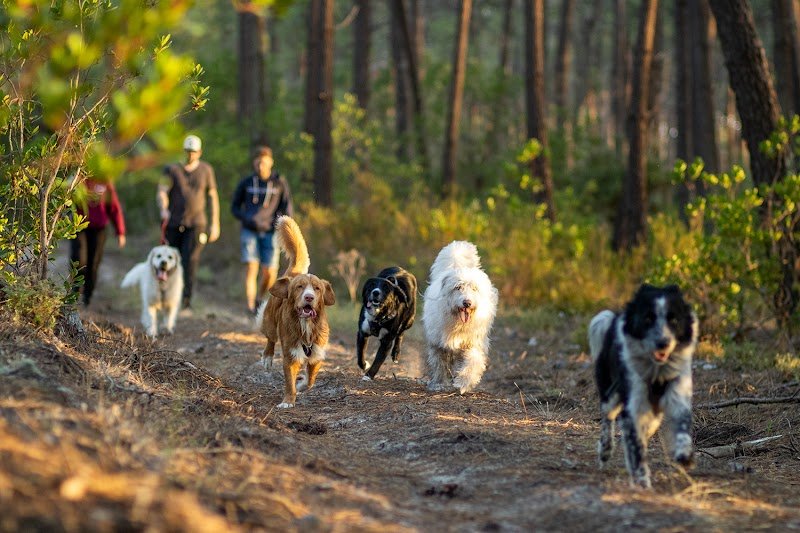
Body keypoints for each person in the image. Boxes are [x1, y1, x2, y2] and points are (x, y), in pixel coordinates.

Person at [157, 134, 220, 310]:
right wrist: (163, 207)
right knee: (170, 260)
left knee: (190, 260)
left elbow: (212, 196)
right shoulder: (171, 169)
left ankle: (186, 299)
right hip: (174, 222)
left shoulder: (206, 170)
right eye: (187, 151)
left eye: (193, 152)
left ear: (199, 152)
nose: (190, 155)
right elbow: (162, 191)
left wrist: (215, 223)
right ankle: (168, 295)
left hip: (197, 223)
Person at [231, 145, 294, 314]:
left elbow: (287, 208)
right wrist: (246, 218)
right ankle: (250, 306)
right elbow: (235, 207)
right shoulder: (246, 183)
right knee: (251, 267)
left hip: (270, 232)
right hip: (249, 230)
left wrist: (284, 227)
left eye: (264, 163)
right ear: (254, 163)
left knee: (269, 272)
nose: (261, 166)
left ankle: (260, 298)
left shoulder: (279, 183)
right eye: (258, 163)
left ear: (271, 162)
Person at [71, 177, 127, 306]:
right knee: (78, 259)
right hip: (79, 227)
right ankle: (75, 292)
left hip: (99, 230)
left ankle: (87, 296)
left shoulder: (105, 181)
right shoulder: (78, 179)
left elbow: (114, 207)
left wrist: (120, 232)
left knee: (93, 263)